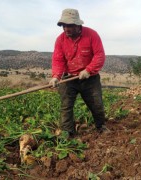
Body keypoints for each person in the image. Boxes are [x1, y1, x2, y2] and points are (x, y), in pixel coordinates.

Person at [48, 8, 107, 136]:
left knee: (96, 105)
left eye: (69, 25)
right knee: (66, 107)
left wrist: (88, 70)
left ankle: (101, 126)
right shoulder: (60, 40)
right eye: (64, 25)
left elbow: (99, 55)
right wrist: (56, 76)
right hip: (69, 79)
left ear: (78, 24)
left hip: (89, 79)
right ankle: (68, 134)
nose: (66, 29)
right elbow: (58, 60)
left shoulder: (92, 35)